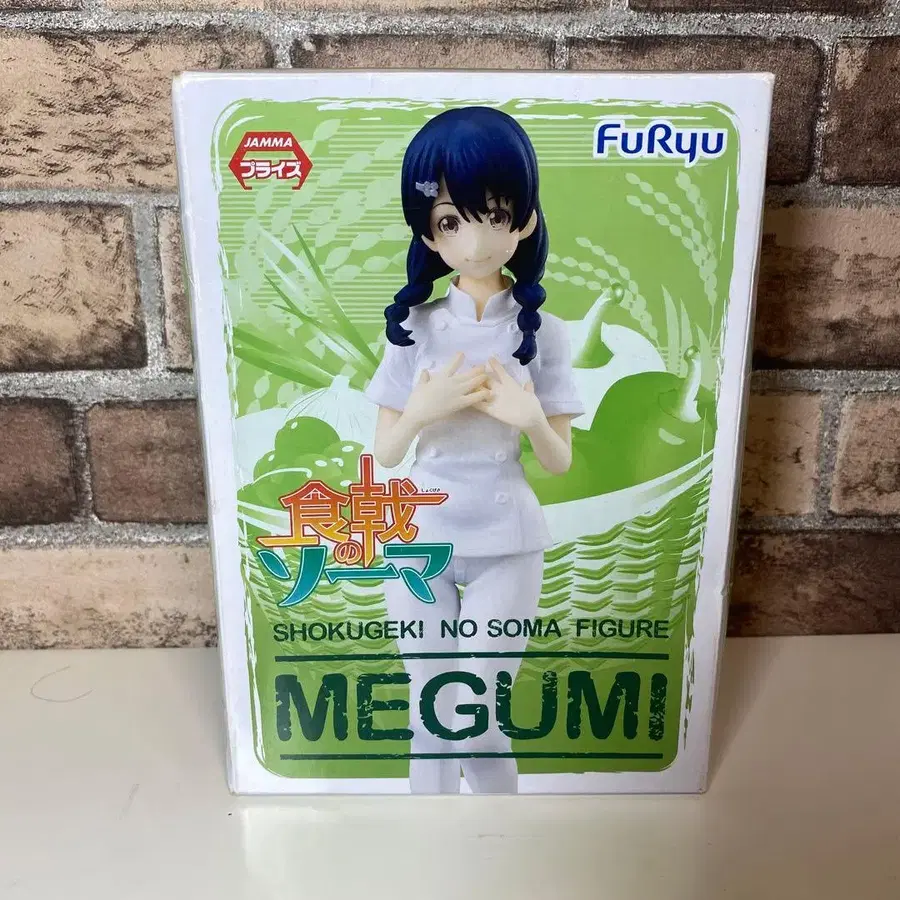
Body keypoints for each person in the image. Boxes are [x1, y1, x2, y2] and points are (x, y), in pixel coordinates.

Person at [365, 106, 583, 794]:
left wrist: (531, 419)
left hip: (507, 538)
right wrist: (422, 410)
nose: (477, 240)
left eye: (495, 215)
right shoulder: (413, 327)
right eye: (451, 222)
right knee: (430, 715)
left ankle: (497, 836)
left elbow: (559, 461)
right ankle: (428, 841)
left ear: (524, 220)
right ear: (428, 233)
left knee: (479, 717)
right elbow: (386, 454)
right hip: (418, 539)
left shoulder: (546, 333)